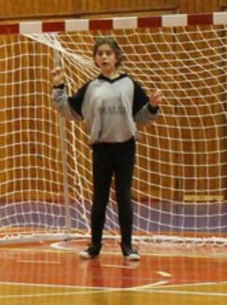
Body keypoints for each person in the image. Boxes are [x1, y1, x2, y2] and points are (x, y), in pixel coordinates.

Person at [52, 36, 162, 261]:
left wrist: (152, 106)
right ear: (95, 59)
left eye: (108, 53)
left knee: (124, 196)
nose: (104, 57)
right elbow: (68, 110)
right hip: (101, 149)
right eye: (99, 53)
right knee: (99, 198)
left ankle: (128, 246)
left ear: (117, 57)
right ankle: (95, 245)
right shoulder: (91, 88)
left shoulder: (130, 85)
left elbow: (142, 117)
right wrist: (58, 86)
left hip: (125, 148)